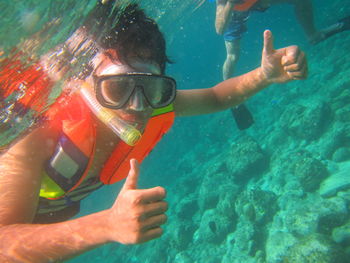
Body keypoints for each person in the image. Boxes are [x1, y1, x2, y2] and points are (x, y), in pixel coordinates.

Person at [0, 1, 307, 262]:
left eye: (151, 87)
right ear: (84, 85)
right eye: (118, 87)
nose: (136, 106)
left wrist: (265, 75)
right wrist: (107, 225)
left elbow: (214, 97)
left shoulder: (153, 104)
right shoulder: (38, 134)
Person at [214, 0, 350, 130]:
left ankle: (314, 35)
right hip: (234, 13)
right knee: (232, 56)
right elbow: (219, 29)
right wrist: (231, 3)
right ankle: (231, 97)